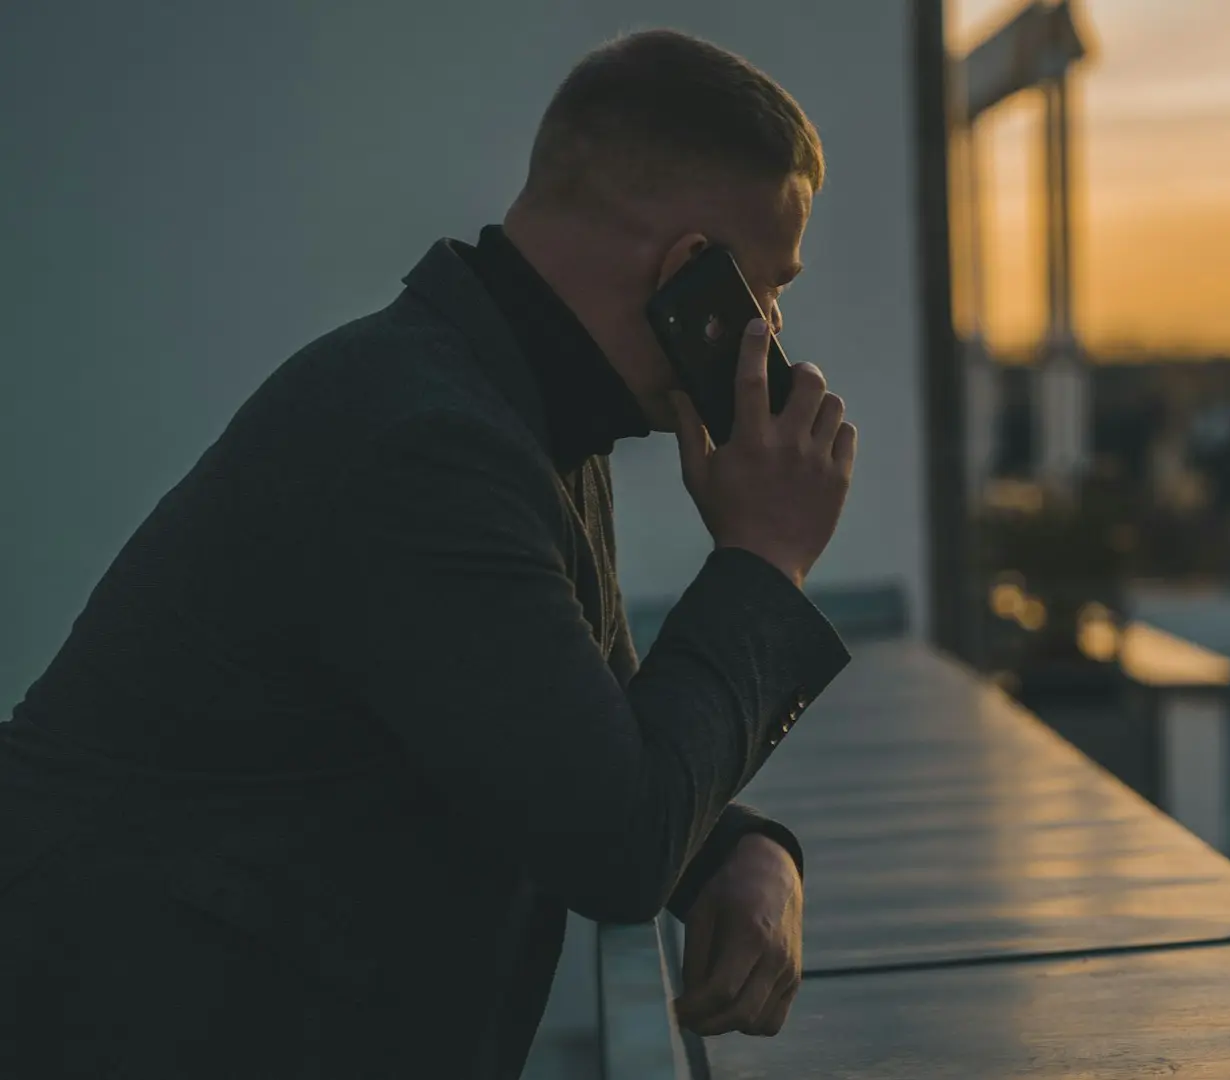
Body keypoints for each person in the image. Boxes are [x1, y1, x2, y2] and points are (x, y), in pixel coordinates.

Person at [0, 27, 857, 1080]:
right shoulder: (423, 442)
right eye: (764, 295)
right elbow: (614, 839)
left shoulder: (500, 407)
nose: (770, 335)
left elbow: (581, 739)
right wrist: (764, 560)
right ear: (689, 273)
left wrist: (747, 851)